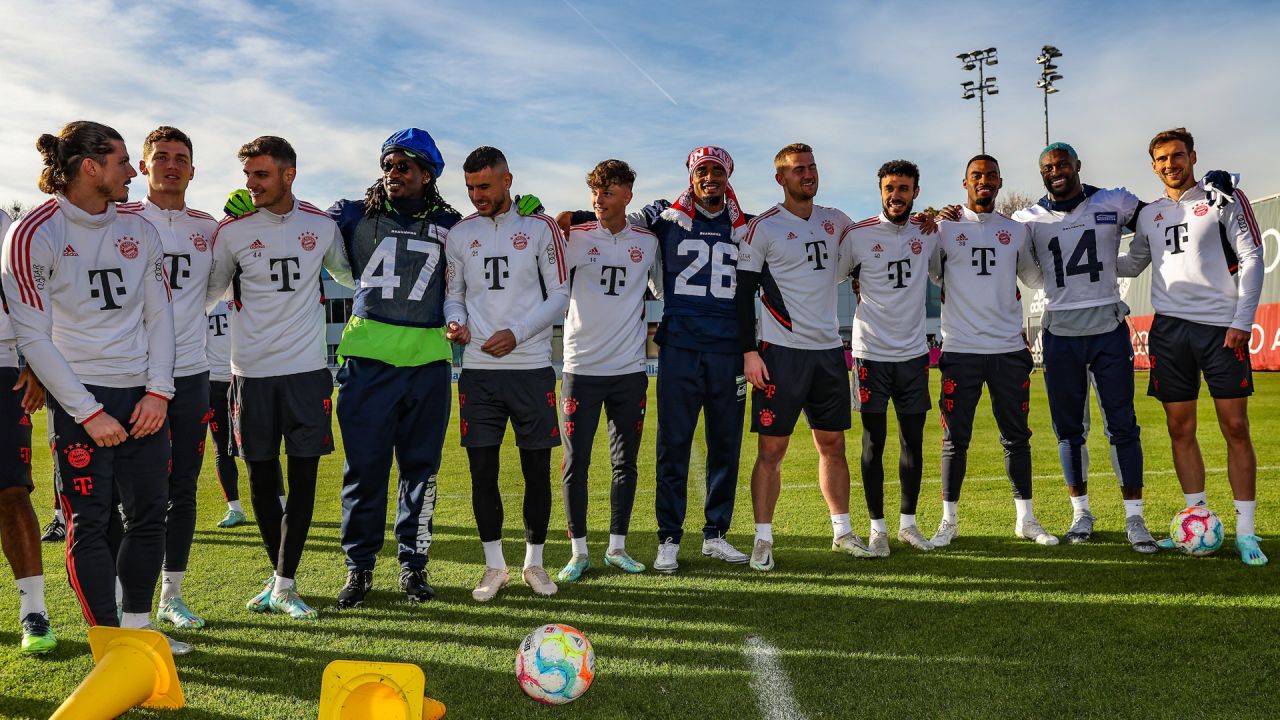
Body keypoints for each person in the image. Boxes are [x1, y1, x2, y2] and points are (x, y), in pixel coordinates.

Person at [1, 121, 187, 653]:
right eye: (123, 161)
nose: (133, 171)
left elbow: (161, 318)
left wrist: (158, 391)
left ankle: (137, 630)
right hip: (81, 397)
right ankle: (108, 639)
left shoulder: (141, 230)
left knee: (151, 513)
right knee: (90, 520)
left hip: (143, 397)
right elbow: (33, 338)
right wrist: (86, 411)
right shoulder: (33, 232)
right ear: (90, 167)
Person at [556, 145, 750, 573]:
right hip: (678, 347)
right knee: (672, 446)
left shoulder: (747, 225)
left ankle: (716, 534)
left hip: (726, 350)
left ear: (728, 175)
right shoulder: (665, 219)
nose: (709, 179)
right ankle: (668, 538)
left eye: (717, 172)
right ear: (691, 176)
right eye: (702, 172)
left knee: (725, 448)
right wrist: (574, 216)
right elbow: (612, 220)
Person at [205, 136, 353, 619]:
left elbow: (352, 277)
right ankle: (281, 581)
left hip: (307, 373)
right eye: (248, 175)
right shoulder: (232, 231)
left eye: (261, 175)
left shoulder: (321, 225)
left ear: (289, 175)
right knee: (262, 482)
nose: (251, 184)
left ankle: (284, 583)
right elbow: (207, 295)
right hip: (250, 375)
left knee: (305, 481)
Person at [318, 128, 459, 608]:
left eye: (404, 166)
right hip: (368, 362)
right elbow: (296, 227)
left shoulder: (452, 223)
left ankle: (413, 566)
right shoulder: (353, 212)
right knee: (365, 470)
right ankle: (359, 569)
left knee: (421, 471)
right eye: (388, 165)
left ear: (427, 173)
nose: (393, 174)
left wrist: (534, 214)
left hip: (428, 364)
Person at [1116, 128, 1266, 566]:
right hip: (1169, 332)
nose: (1170, 164)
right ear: (1153, 165)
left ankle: (1245, 531)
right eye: (1161, 159)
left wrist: (1242, 320)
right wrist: (1084, 250)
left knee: (1235, 428)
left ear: (1192, 156)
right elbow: (1133, 262)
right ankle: (1196, 519)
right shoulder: (1149, 214)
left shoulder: (1222, 198)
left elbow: (1253, 257)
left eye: (1177, 156)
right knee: (1180, 429)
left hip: (1221, 329)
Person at [1012, 143, 1157, 552]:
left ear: (1077, 165)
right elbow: (1026, 270)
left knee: (1122, 425)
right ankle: (1082, 513)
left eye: (1061, 164)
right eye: (1047, 167)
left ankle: (1135, 518)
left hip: (1108, 326)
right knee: (1070, 431)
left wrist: (1127, 262)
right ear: (1041, 174)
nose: (1055, 171)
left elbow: (1158, 220)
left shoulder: (1113, 200)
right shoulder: (1028, 219)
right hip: (1060, 331)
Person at [444, 146, 568, 601]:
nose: (477, 195)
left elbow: (560, 295)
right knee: (483, 471)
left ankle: (534, 563)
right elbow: (453, 293)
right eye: (471, 187)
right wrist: (455, 321)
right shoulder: (459, 234)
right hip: (477, 372)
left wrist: (516, 333)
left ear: (507, 180)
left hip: (531, 368)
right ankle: (494, 566)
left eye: (485, 186)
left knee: (536, 471)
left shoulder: (539, 228)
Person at [736, 143, 866, 571]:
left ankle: (843, 531)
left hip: (828, 352)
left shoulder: (838, 222)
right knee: (772, 450)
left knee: (833, 445)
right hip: (781, 354)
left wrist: (927, 221)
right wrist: (749, 351)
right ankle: (762, 538)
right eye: (797, 170)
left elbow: (875, 244)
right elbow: (742, 296)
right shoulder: (764, 228)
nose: (807, 175)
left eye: (811, 167)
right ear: (780, 179)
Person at [926, 154, 1057, 548]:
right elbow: (934, 273)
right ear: (965, 183)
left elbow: (1034, 277)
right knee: (954, 439)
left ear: (1000, 182)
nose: (983, 182)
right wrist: (933, 223)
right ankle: (948, 521)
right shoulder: (944, 228)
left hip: (1006, 349)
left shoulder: (1014, 230)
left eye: (990, 176)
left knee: (1016, 436)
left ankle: (1026, 519)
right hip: (961, 349)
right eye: (976, 176)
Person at [118, 126, 217, 629]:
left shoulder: (209, 228)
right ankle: (123, 594)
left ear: (193, 169)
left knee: (184, 488)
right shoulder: (121, 219)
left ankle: (170, 594)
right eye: (161, 157)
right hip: (133, 375)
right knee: (133, 493)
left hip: (192, 374)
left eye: (181, 158)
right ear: (142, 167)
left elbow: (215, 289)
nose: (171, 165)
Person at [557, 159, 659, 581]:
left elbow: (663, 289)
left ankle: (618, 547)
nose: (599, 200)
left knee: (625, 464)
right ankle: (578, 552)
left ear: (628, 195)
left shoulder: (648, 242)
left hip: (630, 370)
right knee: (574, 463)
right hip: (581, 367)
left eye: (609, 192)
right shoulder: (574, 236)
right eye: (595, 193)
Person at [837, 160, 939, 555]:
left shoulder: (929, 232)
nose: (896, 195)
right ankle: (878, 528)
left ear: (916, 192)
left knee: (913, 442)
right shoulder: (858, 235)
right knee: (872, 443)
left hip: (913, 355)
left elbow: (941, 270)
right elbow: (835, 275)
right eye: (889, 188)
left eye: (904, 188)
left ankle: (909, 525)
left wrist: (941, 216)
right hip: (870, 355)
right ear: (880, 191)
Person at [0, 208, 56, 654]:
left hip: (2, 364)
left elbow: (35, 295)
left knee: (11, 492)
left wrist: (35, 361)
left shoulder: (6, 225)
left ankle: (33, 612)